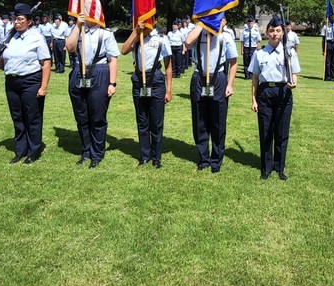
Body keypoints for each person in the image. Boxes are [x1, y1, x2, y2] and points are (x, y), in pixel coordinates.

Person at [0, 3, 51, 164]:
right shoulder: (9, 38)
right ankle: (20, 150)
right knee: (17, 117)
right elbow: (3, 62)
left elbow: (46, 63)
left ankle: (33, 151)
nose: (16, 22)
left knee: (32, 117)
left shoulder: (37, 38)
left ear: (29, 22)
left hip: (31, 81)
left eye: (20, 19)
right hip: (12, 81)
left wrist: (43, 87)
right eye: (15, 19)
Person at [250, 15, 300, 180]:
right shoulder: (259, 54)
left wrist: (294, 82)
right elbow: (255, 78)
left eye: (278, 31)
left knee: (282, 131)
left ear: (283, 33)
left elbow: (294, 73)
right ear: (266, 33)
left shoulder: (289, 52)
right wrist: (254, 99)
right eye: (271, 31)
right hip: (265, 92)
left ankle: (279, 167)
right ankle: (266, 167)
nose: (274, 34)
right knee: (265, 131)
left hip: (283, 92)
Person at [65, 14, 119, 167]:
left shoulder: (105, 34)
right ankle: (86, 151)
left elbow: (113, 59)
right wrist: (77, 26)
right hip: (78, 72)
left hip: (100, 72)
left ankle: (97, 153)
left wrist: (112, 83)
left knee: (97, 115)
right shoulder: (76, 30)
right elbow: (69, 47)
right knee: (81, 116)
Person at [185, 18, 238, 173]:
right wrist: (201, 24)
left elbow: (233, 61)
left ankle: (216, 159)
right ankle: (203, 158)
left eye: (218, 18)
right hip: (199, 77)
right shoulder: (198, 34)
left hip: (219, 78)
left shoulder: (226, 36)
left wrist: (230, 84)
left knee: (218, 120)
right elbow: (187, 42)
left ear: (224, 20)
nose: (214, 21)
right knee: (199, 120)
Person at [121, 21, 173, 168]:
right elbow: (124, 50)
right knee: (142, 120)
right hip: (138, 79)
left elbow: (169, 66)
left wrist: (169, 90)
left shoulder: (162, 39)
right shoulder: (137, 38)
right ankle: (145, 155)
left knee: (156, 122)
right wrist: (135, 32)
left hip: (156, 79)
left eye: (150, 18)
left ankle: (156, 157)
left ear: (155, 21)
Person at [320, 12, 334, 81]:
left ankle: (333, 77)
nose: (332, 19)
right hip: (328, 43)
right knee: (328, 61)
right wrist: (323, 50)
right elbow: (323, 39)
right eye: (331, 18)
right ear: (328, 19)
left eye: (333, 18)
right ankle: (327, 76)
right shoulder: (325, 27)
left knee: (333, 62)